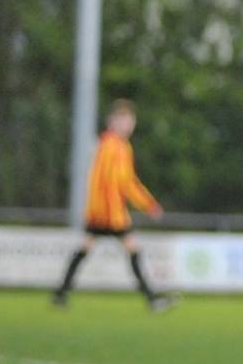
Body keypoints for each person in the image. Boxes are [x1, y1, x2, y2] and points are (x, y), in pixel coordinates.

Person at [53, 99, 174, 312]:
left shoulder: (117, 145)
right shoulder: (112, 145)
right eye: (125, 121)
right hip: (109, 213)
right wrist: (145, 205)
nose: (128, 126)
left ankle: (61, 293)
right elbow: (114, 182)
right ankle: (151, 298)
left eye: (130, 122)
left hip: (104, 211)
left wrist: (147, 203)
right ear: (113, 121)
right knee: (131, 251)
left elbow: (126, 182)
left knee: (87, 248)